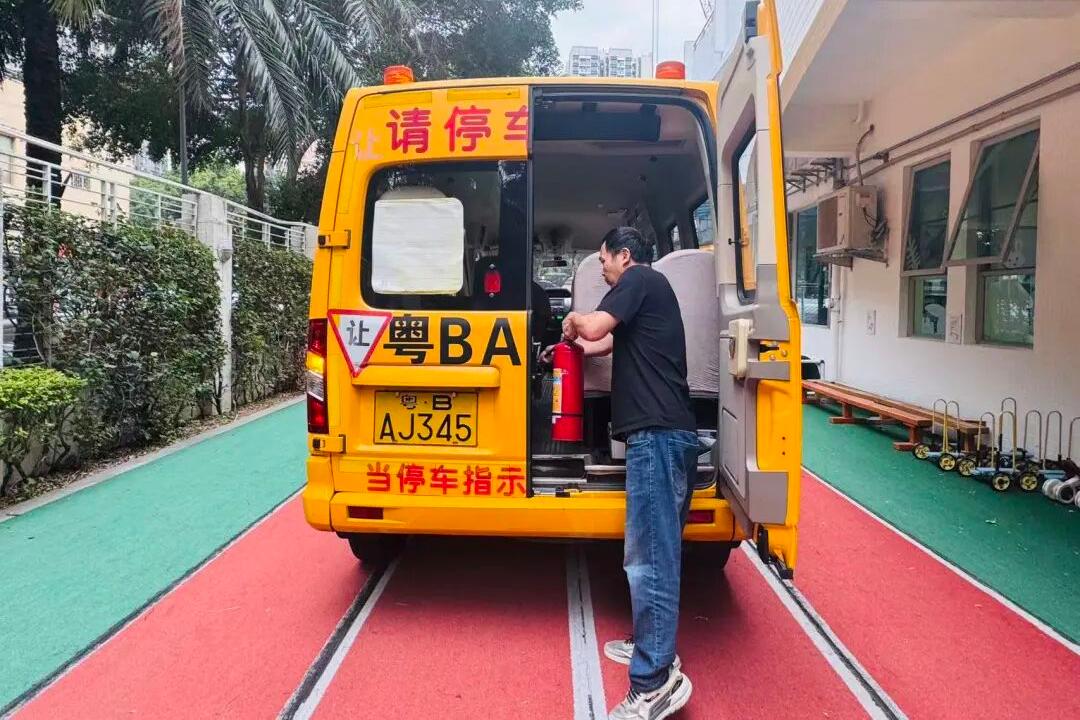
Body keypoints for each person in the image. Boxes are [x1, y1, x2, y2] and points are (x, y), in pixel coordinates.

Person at [560, 226, 697, 719]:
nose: (601, 269)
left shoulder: (639, 279)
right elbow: (604, 345)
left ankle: (654, 682)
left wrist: (573, 320)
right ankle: (652, 644)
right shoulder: (649, 295)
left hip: (657, 439)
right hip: (666, 436)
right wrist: (575, 348)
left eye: (603, 260)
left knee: (650, 559)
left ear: (624, 255)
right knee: (657, 553)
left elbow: (596, 329)